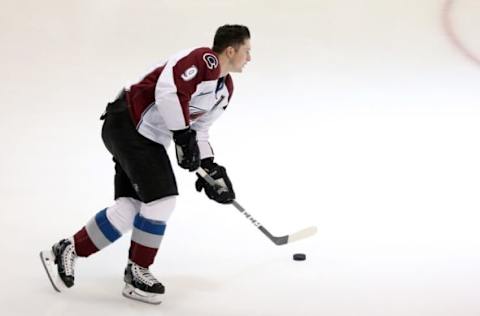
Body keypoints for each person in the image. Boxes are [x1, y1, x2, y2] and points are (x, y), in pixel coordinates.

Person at [40, 24, 251, 305]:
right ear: (230, 50)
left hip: (141, 135)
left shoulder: (224, 90)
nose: (249, 58)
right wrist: (181, 134)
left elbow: (199, 131)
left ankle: (66, 250)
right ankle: (137, 271)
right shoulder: (204, 61)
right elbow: (168, 91)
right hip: (129, 122)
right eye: (247, 51)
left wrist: (210, 167)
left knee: (131, 208)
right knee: (162, 200)